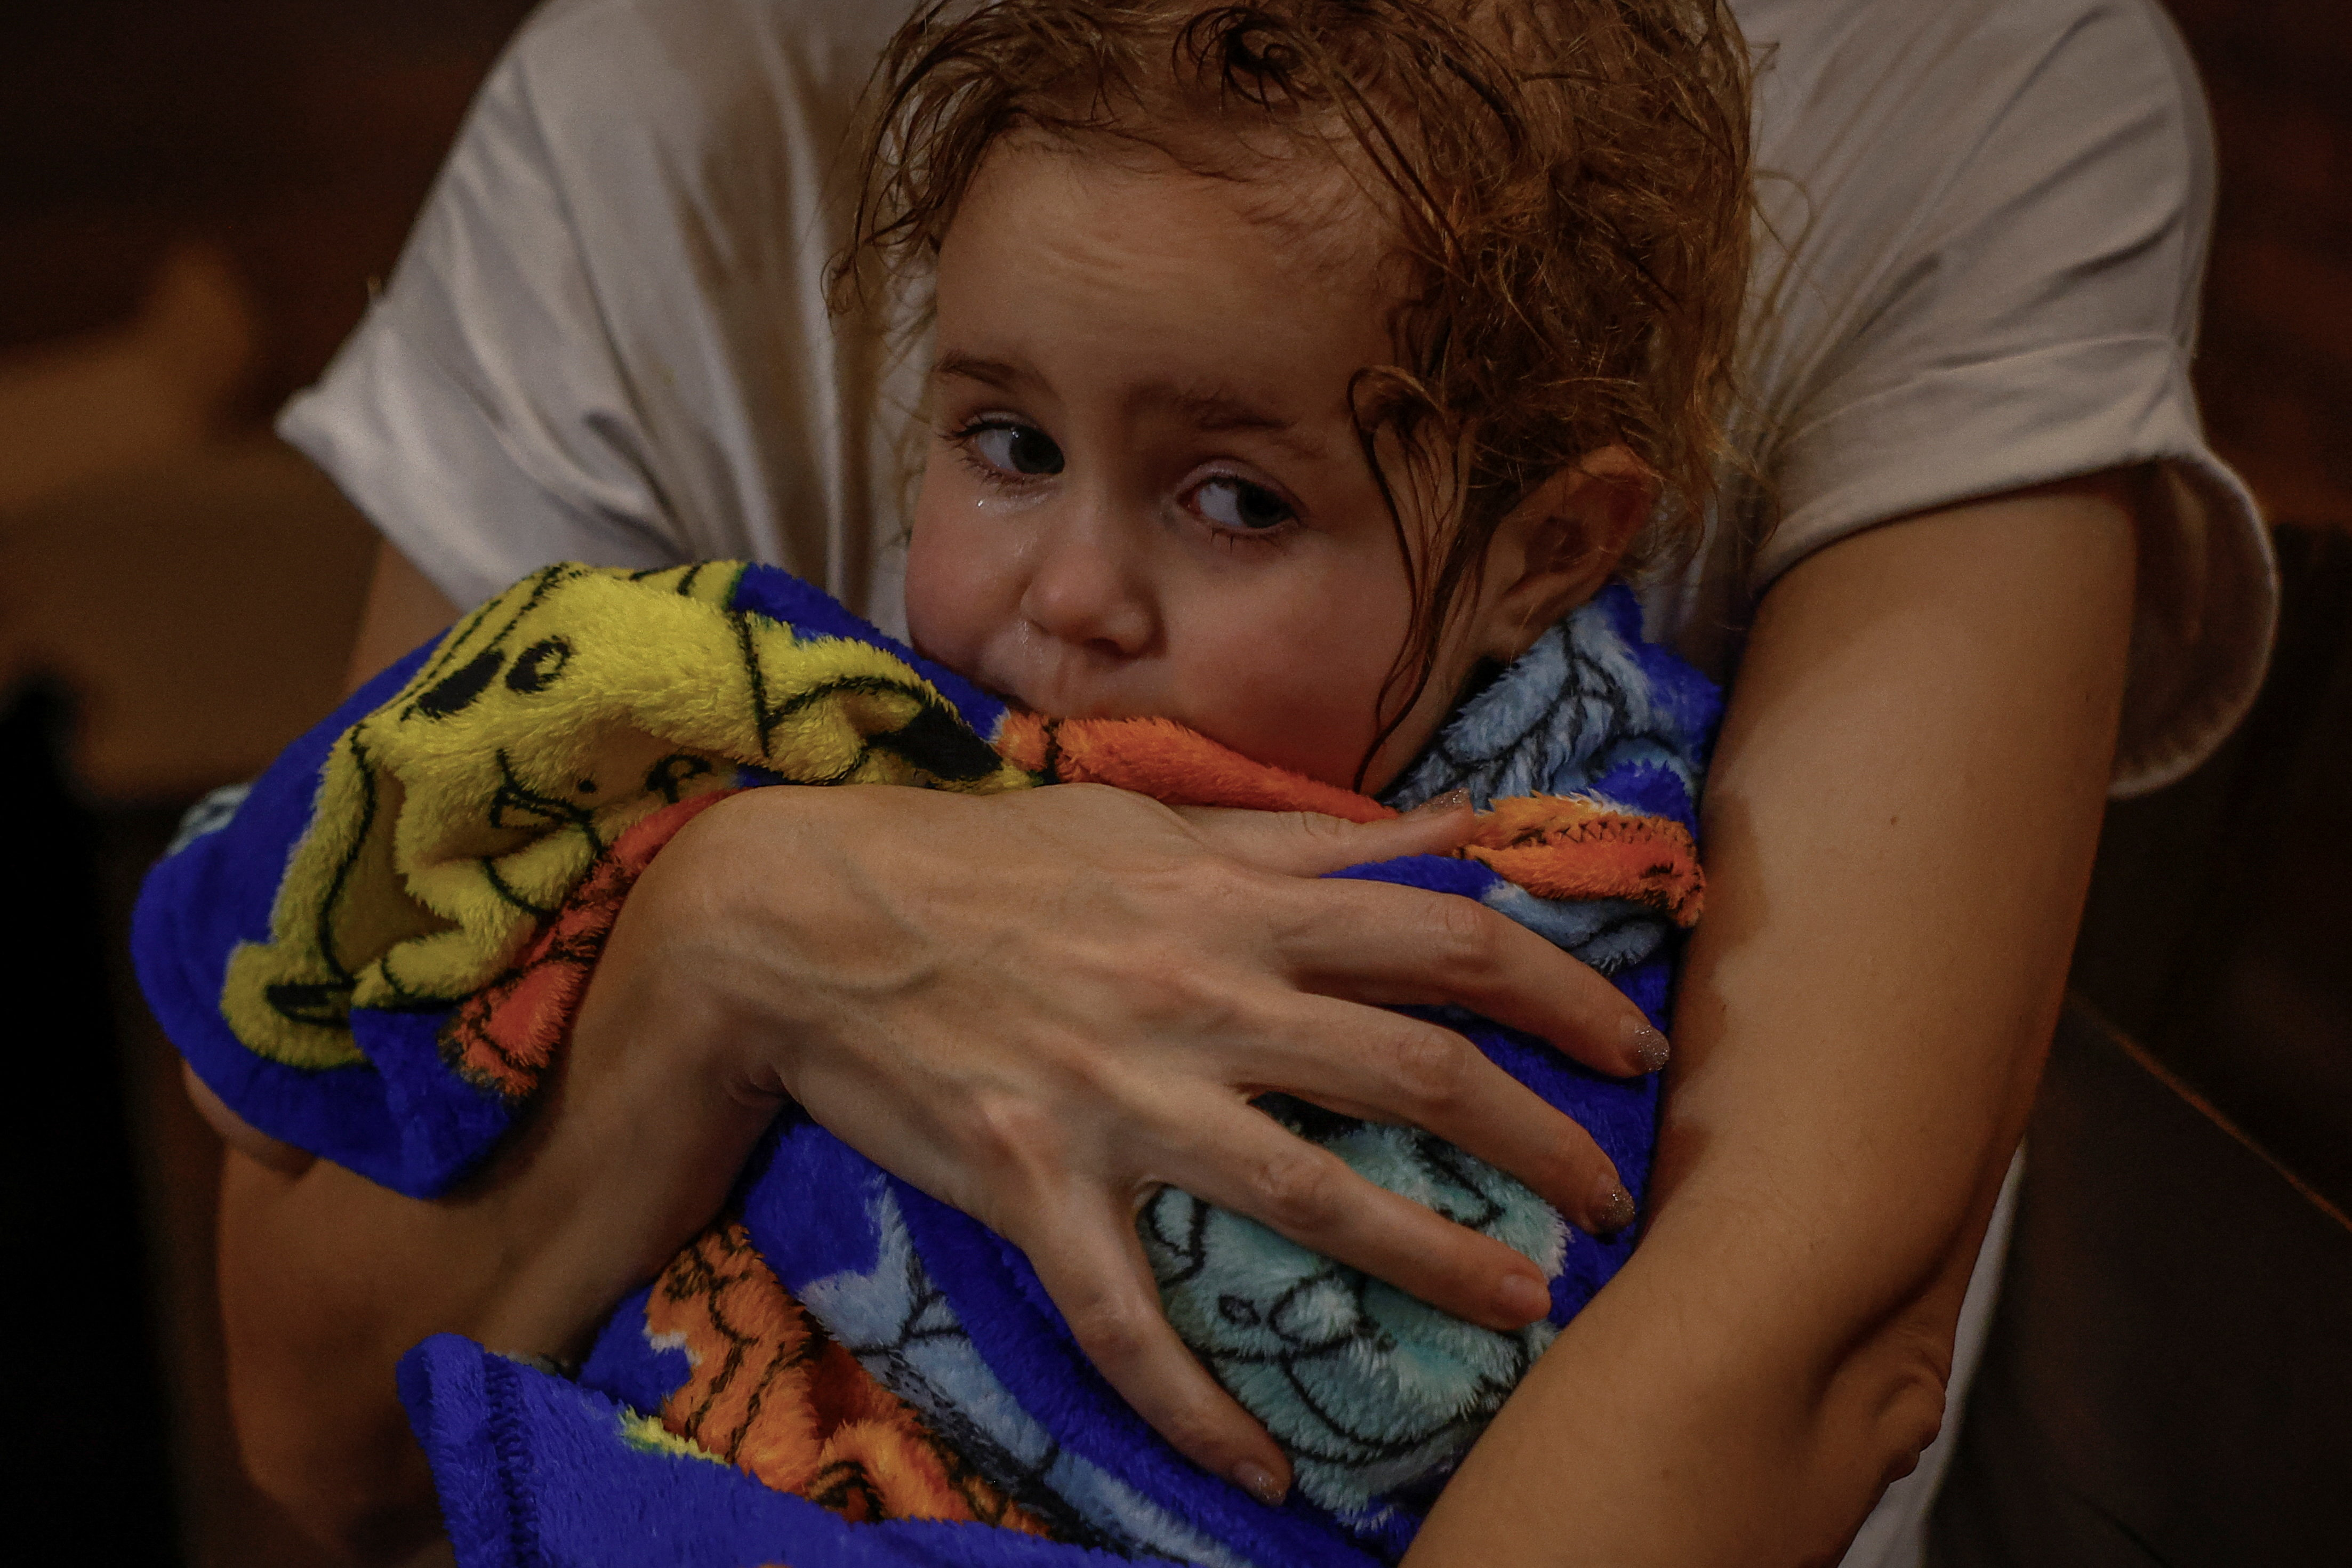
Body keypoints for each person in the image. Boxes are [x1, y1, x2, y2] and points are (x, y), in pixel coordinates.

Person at [197, 0, 2274, 1564]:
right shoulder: (654, 155)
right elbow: (316, 1410)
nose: (1075, 595)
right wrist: (731, 933)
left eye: (1232, 495)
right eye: (997, 443)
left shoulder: (1975, 84)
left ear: (1550, 553)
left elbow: (1801, 1330)